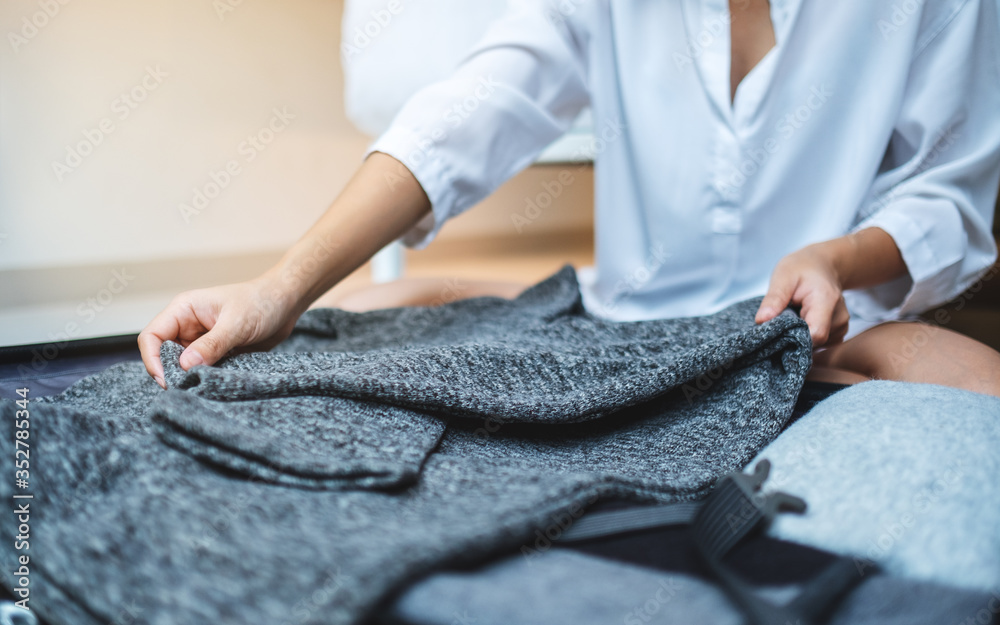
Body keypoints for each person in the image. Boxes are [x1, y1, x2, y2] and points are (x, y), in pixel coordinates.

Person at [139, 0, 1000, 397]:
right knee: (377, 308)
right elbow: (463, 119)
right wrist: (280, 288)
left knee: (969, 380)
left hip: (818, 337)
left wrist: (833, 258)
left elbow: (948, 195)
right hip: (624, 326)